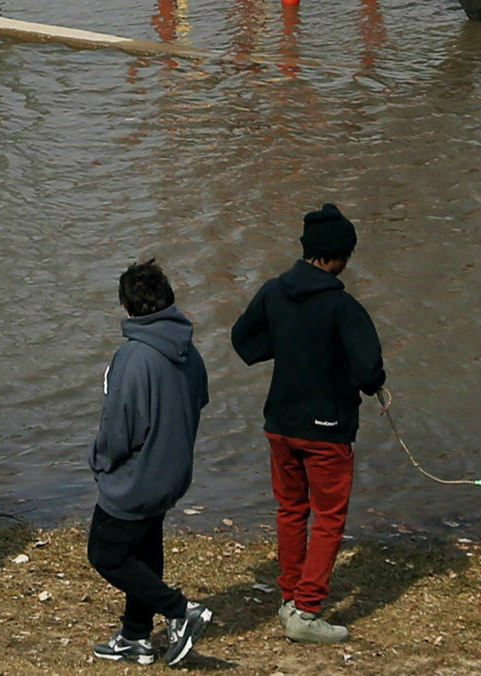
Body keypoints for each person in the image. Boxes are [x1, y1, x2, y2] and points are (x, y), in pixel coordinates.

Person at [231, 203, 384, 647]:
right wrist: (365, 383)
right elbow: (370, 371)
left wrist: (286, 345)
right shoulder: (343, 306)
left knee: (291, 511)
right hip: (326, 428)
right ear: (339, 256)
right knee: (329, 517)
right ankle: (307, 609)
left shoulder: (274, 291)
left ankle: (289, 596)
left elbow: (244, 340)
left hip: (280, 422)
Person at [85, 259, 215, 667]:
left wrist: (100, 463)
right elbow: (199, 401)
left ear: (127, 308)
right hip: (171, 474)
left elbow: (119, 428)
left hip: (135, 478)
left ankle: (181, 610)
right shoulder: (188, 351)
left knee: (106, 554)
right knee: (143, 547)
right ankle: (135, 636)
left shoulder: (133, 357)